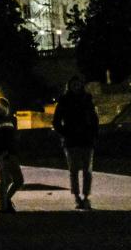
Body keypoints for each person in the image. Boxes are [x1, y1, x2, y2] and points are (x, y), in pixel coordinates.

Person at [53, 75, 99, 210]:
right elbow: (56, 121)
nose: (76, 86)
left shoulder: (87, 99)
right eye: (73, 84)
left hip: (86, 139)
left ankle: (85, 196)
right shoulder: (64, 100)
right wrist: (65, 133)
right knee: (73, 170)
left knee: (87, 170)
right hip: (71, 140)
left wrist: (93, 134)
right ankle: (77, 197)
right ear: (70, 86)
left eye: (78, 84)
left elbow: (94, 118)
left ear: (81, 85)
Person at [0, 96, 24, 213]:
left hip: (12, 153)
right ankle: (3, 207)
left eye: (4, 106)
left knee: (19, 180)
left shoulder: (9, 119)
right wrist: (1, 153)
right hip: (2, 154)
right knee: (5, 180)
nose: (2, 108)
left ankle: (6, 200)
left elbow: (13, 137)